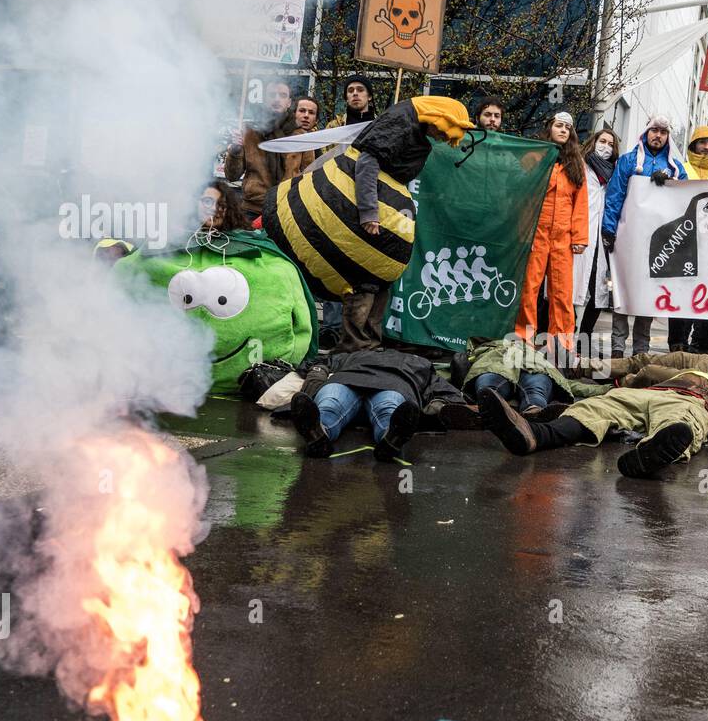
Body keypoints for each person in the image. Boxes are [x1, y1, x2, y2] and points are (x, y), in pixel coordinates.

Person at [262, 96, 474, 352]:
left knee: (380, 278)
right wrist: (369, 212)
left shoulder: (411, 126)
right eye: (442, 132)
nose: (440, 138)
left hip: (380, 210)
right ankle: (354, 344)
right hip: (353, 207)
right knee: (363, 276)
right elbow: (367, 163)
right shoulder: (401, 124)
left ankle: (369, 342)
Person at [477, 368, 708, 479]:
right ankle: (534, 435)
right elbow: (651, 370)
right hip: (651, 393)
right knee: (599, 405)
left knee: (678, 423)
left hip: (696, 406)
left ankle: (650, 455)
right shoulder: (707, 371)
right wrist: (624, 377)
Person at [601, 116, 688, 358]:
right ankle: (618, 348)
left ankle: (642, 351)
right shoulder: (628, 160)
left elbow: (684, 200)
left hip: (659, 244)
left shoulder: (676, 167)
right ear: (646, 132)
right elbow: (615, 195)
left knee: (647, 294)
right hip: (628, 238)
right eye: (654, 130)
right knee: (623, 289)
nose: (658, 135)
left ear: (668, 136)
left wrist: (670, 182)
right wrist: (608, 228)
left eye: (663, 132)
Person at [288, 347, 462, 460]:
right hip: (393, 384)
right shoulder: (421, 363)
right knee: (388, 410)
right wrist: (428, 413)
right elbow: (444, 392)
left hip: (349, 380)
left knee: (330, 404)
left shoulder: (353, 354)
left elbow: (317, 363)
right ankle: (391, 438)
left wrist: (314, 383)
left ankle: (319, 431)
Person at [515, 112, 587, 352]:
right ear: (549, 128)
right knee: (529, 289)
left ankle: (562, 343)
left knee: (562, 294)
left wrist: (579, 238)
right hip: (537, 233)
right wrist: (524, 232)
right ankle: (524, 338)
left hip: (563, 238)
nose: (564, 130)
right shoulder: (534, 157)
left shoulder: (576, 165)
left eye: (568, 127)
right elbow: (521, 197)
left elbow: (581, 205)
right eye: (559, 126)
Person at [443, 337, 611, 426]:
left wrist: (607, 389)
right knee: (490, 387)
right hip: (499, 365)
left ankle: (533, 412)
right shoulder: (489, 348)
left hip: (529, 369)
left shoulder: (539, 356)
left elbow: (572, 385)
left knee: (532, 389)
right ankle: (483, 409)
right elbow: (445, 369)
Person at [668, 125, 708, 353]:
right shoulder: (679, 169)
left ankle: (703, 344)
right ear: (693, 145)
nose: (706, 147)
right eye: (702, 142)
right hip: (684, 240)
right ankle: (678, 342)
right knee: (681, 291)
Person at [223, 79, 307, 220]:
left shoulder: (300, 136)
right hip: (253, 209)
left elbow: (309, 174)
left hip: (288, 210)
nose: (276, 99)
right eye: (272, 94)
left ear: (289, 103)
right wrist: (236, 150)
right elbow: (232, 176)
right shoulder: (250, 132)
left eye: (282, 95)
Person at [574, 127, 620, 343]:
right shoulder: (580, 167)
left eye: (611, 144)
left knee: (597, 292)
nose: (606, 147)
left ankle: (584, 338)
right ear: (594, 142)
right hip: (580, 235)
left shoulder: (615, 174)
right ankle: (565, 336)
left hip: (602, 241)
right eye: (603, 141)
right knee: (571, 289)